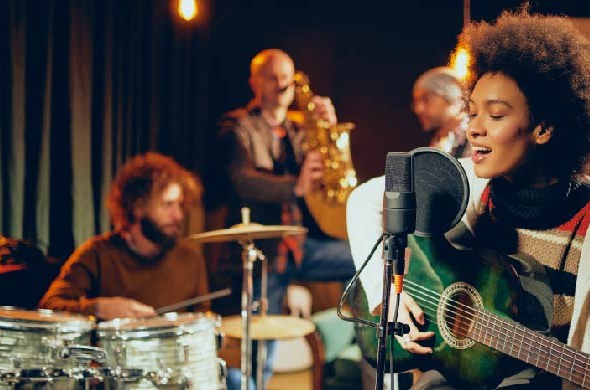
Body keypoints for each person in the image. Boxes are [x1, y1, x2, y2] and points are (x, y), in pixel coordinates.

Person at [347, 8, 590, 389]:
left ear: (544, 128)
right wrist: (385, 296)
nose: (474, 129)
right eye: (472, 112)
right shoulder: (467, 184)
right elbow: (363, 200)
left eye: (495, 115)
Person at [216, 48, 356, 389]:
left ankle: (366, 339)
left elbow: (332, 172)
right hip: (265, 255)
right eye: (273, 76)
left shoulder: (299, 127)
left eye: (287, 77)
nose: (282, 84)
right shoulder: (237, 127)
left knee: (366, 257)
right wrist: (296, 185)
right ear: (254, 83)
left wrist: (329, 126)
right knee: (260, 358)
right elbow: (242, 181)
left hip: (302, 245)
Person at [39, 152, 209, 320]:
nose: (178, 215)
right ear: (137, 206)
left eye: (179, 204)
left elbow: (204, 321)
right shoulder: (97, 253)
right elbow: (48, 306)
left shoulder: (191, 259)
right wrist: (99, 308)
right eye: (167, 205)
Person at [412, 67, 470, 158]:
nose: (418, 109)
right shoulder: (438, 142)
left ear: (450, 95)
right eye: (416, 102)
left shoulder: (475, 135)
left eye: (426, 99)